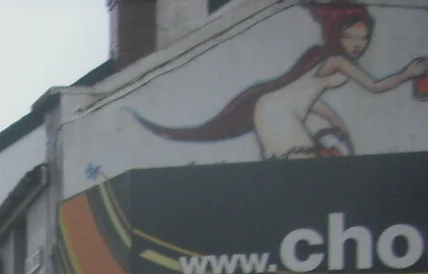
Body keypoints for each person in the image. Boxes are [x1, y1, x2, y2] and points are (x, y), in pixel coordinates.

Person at [131, 2, 426, 159]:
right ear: (337, 34)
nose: (358, 45)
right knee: (303, 165)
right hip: (277, 114)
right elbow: (374, 87)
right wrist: (408, 74)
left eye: (363, 38)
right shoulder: (334, 60)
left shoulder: (320, 58)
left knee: (298, 166)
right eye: (350, 36)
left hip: (272, 110)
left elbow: (307, 96)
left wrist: (337, 121)